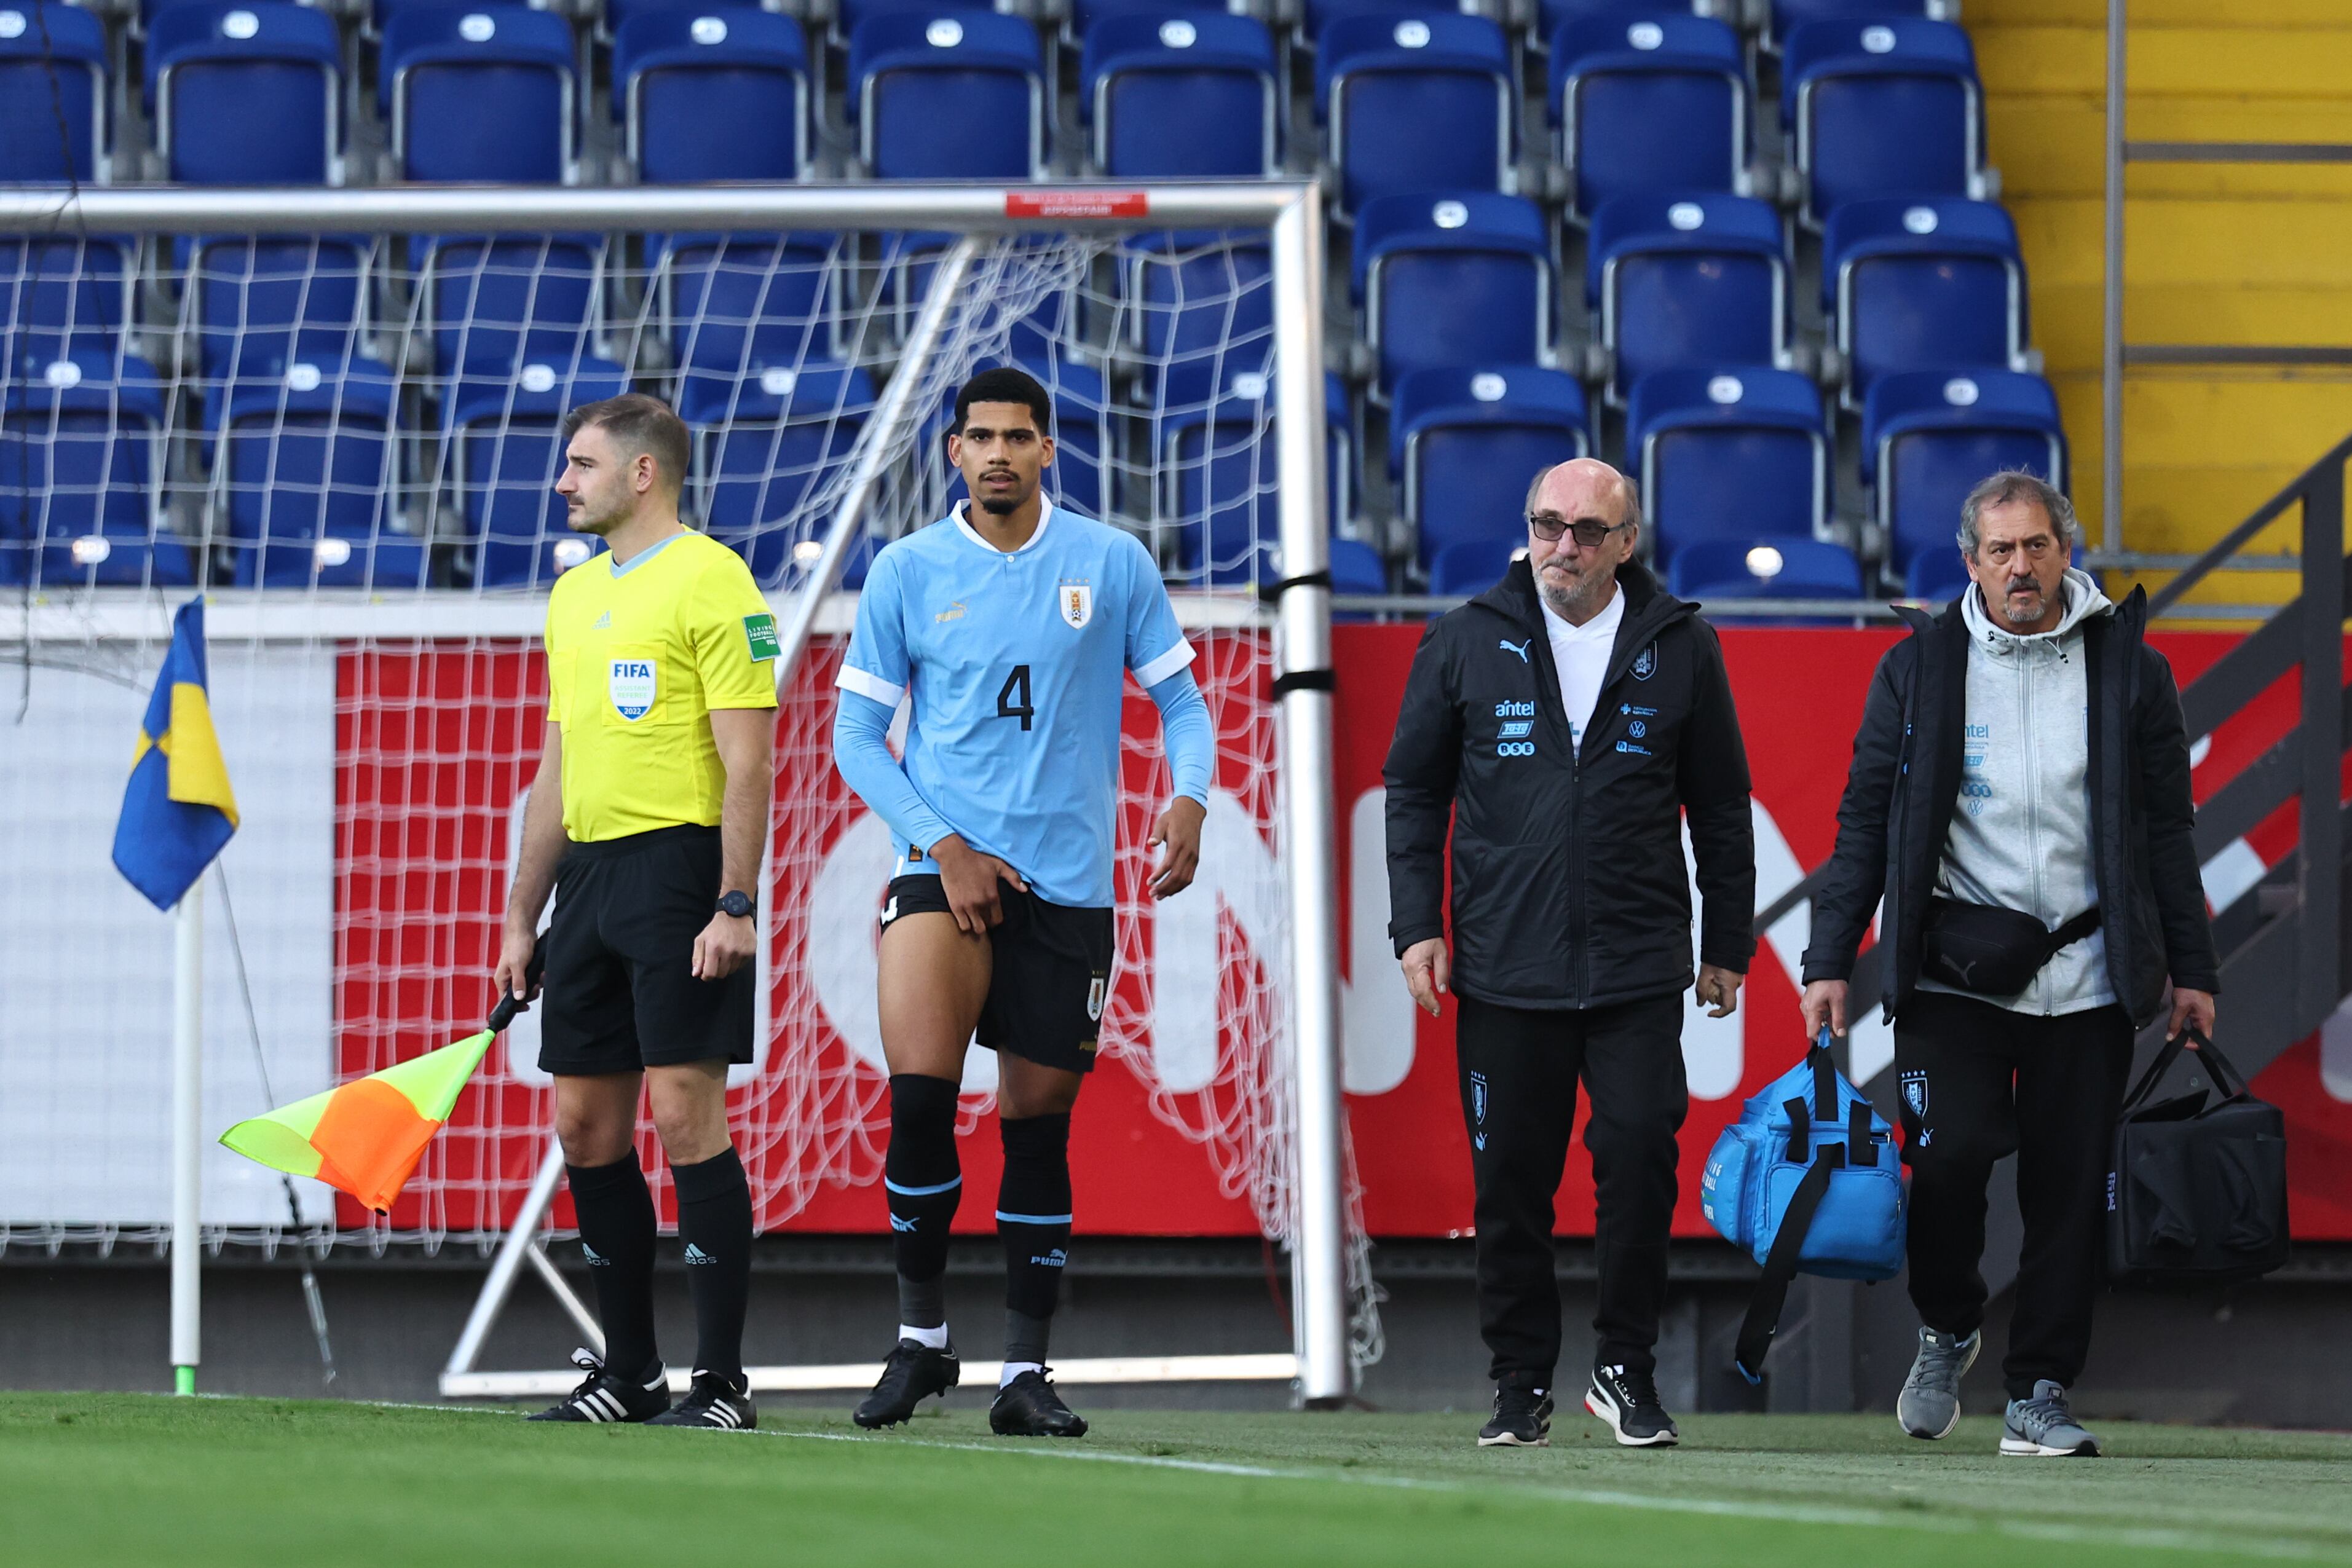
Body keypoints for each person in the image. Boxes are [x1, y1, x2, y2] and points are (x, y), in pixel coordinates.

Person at [1800, 470, 2219, 1459]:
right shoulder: (1919, 666)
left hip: (2088, 974)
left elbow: (2166, 833)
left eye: (2036, 545)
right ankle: (1946, 1326)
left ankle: (2037, 1388)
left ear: (2065, 551)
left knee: (2067, 1192)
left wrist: (2190, 969)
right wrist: (1829, 957)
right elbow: (1864, 822)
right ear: (1969, 564)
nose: (2020, 567)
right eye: (2000, 551)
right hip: (1954, 970)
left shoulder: (2129, 667)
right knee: (1947, 1161)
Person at [831, 366, 1214, 1438]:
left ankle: (1022, 1372)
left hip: (1070, 888)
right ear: (952, 452)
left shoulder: (1110, 561)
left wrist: (1188, 797)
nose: (997, 452)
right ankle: (918, 1344)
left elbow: (1182, 703)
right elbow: (855, 736)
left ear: (1049, 450)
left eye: (1017, 436)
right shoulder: (907, 571)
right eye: (979, 437)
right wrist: (943, 842)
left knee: (1035, 1130)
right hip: (939, 877)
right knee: (919, 1103)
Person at [1384, 458, 1756, 1449]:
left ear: (1626, 543)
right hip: (1506, 966)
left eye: (1588, 531)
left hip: (1637, 966)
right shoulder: (1465, 636)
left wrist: (1727, 941)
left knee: (1637, 1165)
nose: (1563, 546)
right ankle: (1518, 1383)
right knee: (1509, 1185)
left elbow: (1720, 805)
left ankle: (1624, 1369)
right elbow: (1413, 792)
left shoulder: (1682, 646)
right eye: (1547, 525)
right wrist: (1415, 925)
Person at [492, 393, 778, 1430]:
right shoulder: (571, 600)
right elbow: (554, 766)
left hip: (679, 872)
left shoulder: (716, 579)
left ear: (642, 473)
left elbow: (749, 759)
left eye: (578, 464)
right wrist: (523, 916)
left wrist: (734, 900)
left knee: (682, 1111)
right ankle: (631, 1373)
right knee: (584, 1124)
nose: (562, 482)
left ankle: (720, 1385)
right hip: (590, 884)